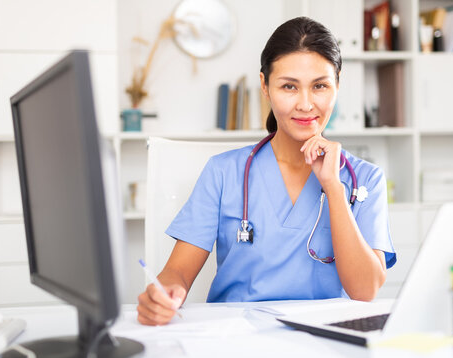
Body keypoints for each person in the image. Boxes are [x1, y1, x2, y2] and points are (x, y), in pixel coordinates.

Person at [137, 17, 396, 326]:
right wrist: (164, 294)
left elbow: (365, 291)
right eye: (289, 86)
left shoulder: (364, 179)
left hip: (325, 341)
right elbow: (177, 273)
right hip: (236, 339)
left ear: (337, 86)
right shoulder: (223, 173)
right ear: (265, 85)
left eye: (320, 86)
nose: (305, 104)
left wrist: (333, 188)